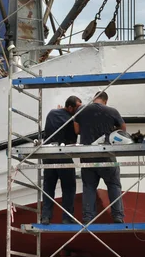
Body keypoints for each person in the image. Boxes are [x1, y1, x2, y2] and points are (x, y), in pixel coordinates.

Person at [74, 91, 126, 224]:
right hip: (106, 154)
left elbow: (76, 130)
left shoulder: (81, 110)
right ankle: (118, 216)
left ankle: (88, 218)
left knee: (89, 186)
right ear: (105, 100)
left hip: (87, 154)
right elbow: (123, 129)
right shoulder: (112, 111)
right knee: (113, 184)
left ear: (94, 99)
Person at [40, 95, 81, 224]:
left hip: (48, 155)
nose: (80, 110)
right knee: (68, 187)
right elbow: (75, 134)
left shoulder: (52, 113)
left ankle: (46, 216)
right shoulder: (71, 119)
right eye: (78, 108)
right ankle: (67, 217)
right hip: (62, 155)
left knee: (48, 187)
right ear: (70, 108)